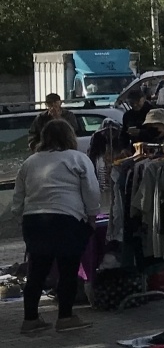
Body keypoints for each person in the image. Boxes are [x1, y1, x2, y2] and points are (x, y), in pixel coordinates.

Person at [14, 117, 99, 335]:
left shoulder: (29, 162)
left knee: (36, 271)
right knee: (68, 270)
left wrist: (22, 218)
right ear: (70, 136)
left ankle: (30, 319)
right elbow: (91, 190)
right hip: (66, 218)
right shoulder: (78, 159)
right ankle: (65, 317)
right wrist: (92, 216)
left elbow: (18, 197)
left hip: (34, 220)